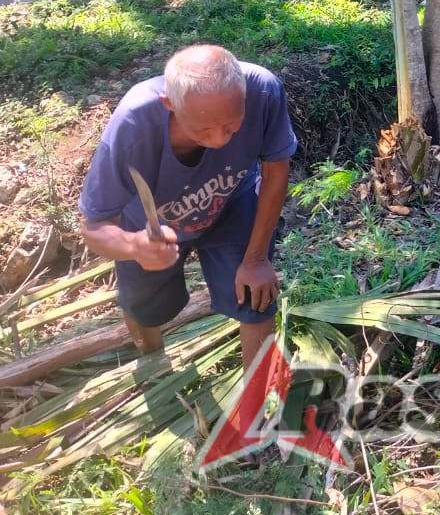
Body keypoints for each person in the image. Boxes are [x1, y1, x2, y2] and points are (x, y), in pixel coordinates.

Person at [78, 44, 297, 371]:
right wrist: (135, 247)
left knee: (255, 298)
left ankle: (258, 398)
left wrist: (257, 258)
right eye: (203, 130)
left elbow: (276, 173)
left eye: (232, 125)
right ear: (169, 105)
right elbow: (92, 228)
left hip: (232, 208)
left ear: (245, 99)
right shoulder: (134, 124)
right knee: (144, 308)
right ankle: (154, 368)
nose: (221, 140)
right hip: (152, 229)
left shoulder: (263, 91)